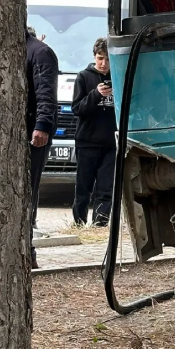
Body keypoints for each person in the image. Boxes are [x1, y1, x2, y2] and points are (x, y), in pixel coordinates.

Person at [72, 38, 117, 226]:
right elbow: (77, 108)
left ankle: (101, 222)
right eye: (100, 58)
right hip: (87, 141)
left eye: (107, 59)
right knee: (83, 187)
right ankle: (79, 222)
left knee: (106, 188)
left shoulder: (117, 76)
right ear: (94, 57)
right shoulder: (84, 77)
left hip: (110, 142)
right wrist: (96, 94)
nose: (103, 64)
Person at [26, 27, 59, 269]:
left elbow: (46, 94)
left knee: (28, 189)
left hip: (31, 132)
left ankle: (28, 249)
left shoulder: (40, 52)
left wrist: (42, 125)